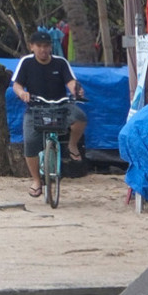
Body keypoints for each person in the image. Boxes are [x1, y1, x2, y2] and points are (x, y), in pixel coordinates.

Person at [12, 31, 87, 198]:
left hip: (60, 105)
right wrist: (22, 93)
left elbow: (70, 81)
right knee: (30, 143)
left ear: (50, 47)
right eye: (39, 46)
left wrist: (76, 90)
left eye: (46, 46)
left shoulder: (61, 63)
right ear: (32, 47)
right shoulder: (26, 62)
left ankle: (72, 145)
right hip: (35, 107)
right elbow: (16, 85)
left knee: (80, 117)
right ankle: (36, 181)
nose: (43, 50)